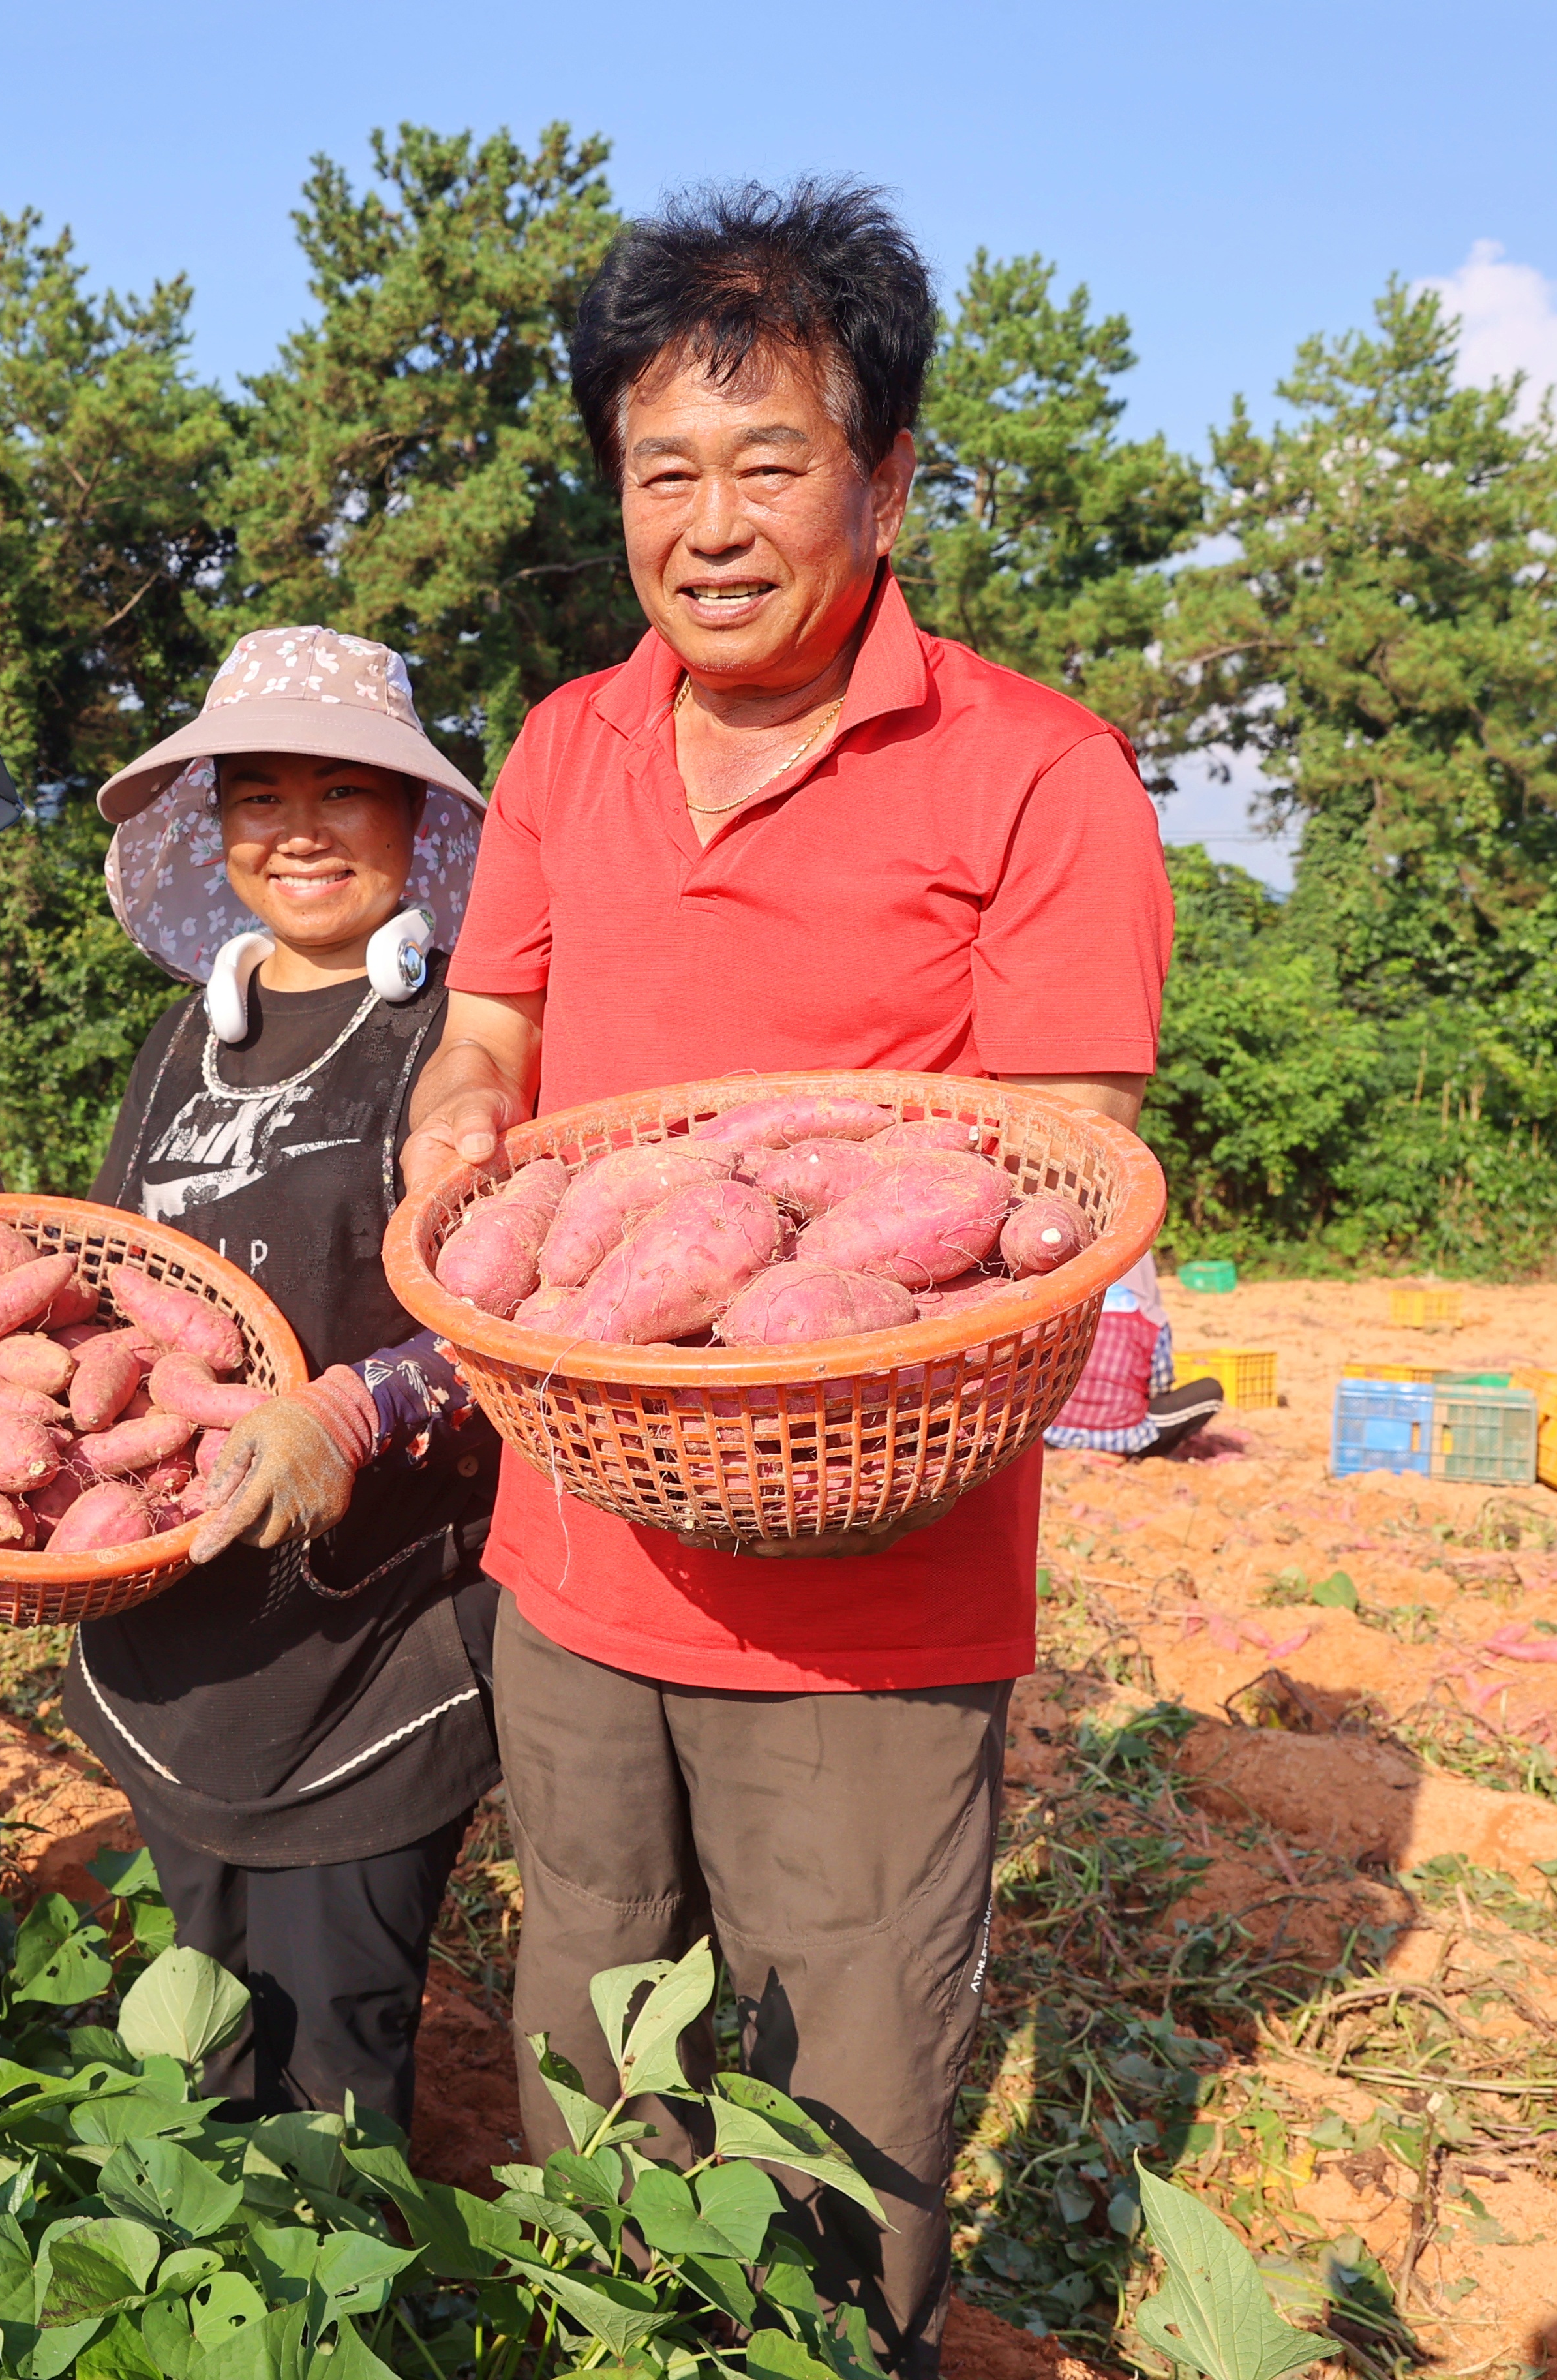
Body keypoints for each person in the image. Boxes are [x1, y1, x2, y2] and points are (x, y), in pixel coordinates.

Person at [399, 183, 1173, 2380]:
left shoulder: (1034, 767)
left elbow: (1057, 1170)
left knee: (843, 2088)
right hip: (572, 1532)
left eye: (767, 461)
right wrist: (460, 1117)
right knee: (592, 2016)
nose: (710, 522)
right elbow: (493, 1034)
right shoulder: (562, 744)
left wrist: (805, 1277)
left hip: (871, 1580)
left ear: (889, 473)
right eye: (662, 468)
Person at [0, 627, 499, 2129]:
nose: (298, 829)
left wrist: (362, 1403)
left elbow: (513, 1324)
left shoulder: (461, 1046)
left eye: (343, 791)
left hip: (368, 1635)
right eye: (259, 793)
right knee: (199, 2034)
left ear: (414, 824)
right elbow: (131, 1292)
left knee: (333, 2068)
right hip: (176, 1619)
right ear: (217, 826)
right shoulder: (183, 1037)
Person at [1044, 1255, 1224, 1457]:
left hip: (1054, 1431)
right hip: (1124, 1436)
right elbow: (1160, 1386)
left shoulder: (1065, 1312)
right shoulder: (1151, 1319)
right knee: (1211, 1390)